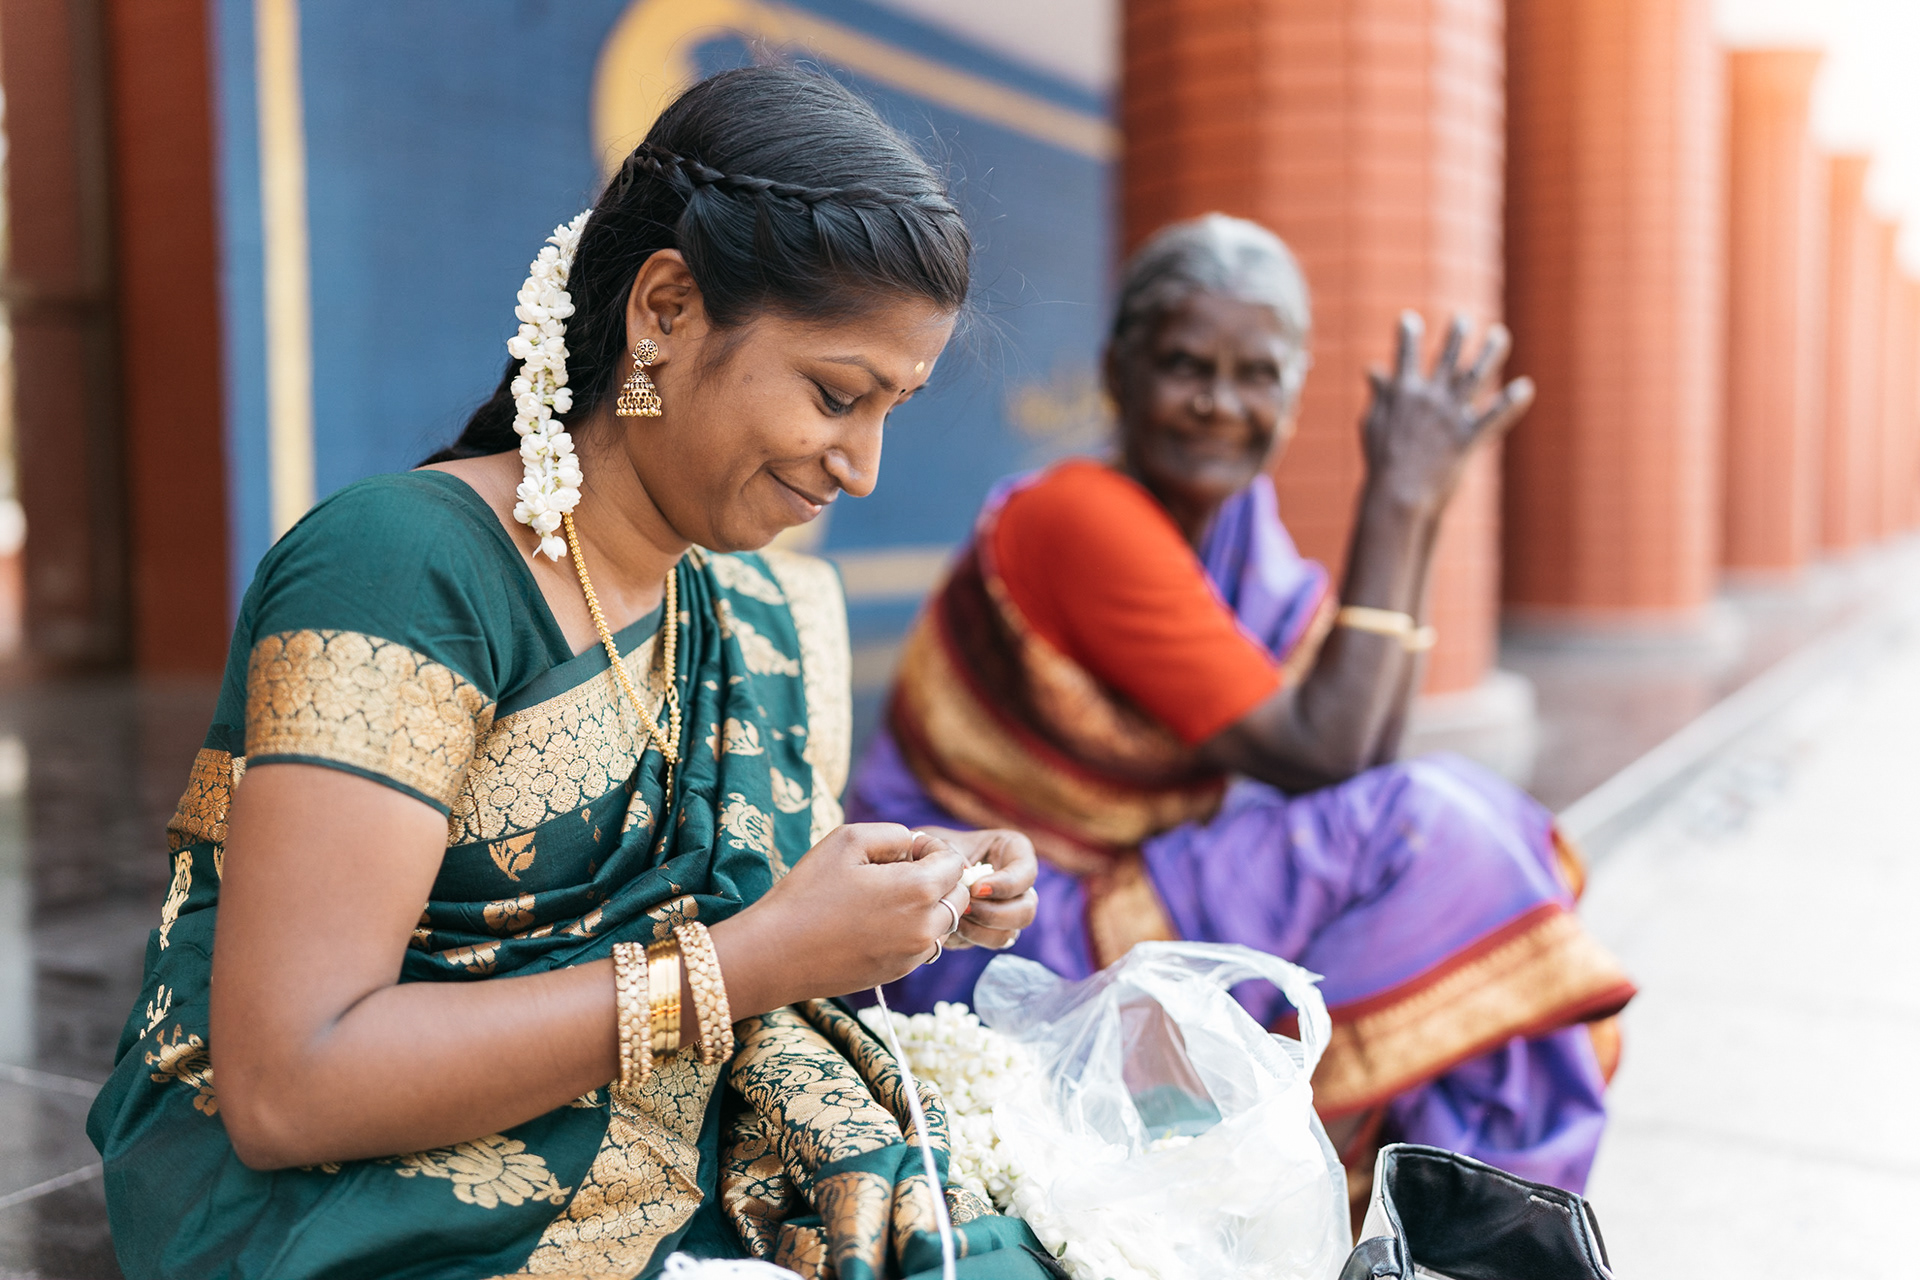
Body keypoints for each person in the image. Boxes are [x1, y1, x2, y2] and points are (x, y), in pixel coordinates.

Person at [86, 67, 1048, 1280]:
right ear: (665, 308)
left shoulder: (758, 604)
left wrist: (907, 890)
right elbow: (291, 1084)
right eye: (835, 395)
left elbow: (732, 892)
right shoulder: (406, 570)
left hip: (665, 1142)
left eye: (892, 408)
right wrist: (759, 960)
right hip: (356, 1209)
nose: (859, 465)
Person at [848, 214, 1637, 1196]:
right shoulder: (1080, 517)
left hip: (1120, 894)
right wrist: (1396, 498)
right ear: (1118, 371)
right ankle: (1426, 1191)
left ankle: (1423, 1194)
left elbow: (1364, 747)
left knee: (1452, 873)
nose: (1221, 404)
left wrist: (1424, 509)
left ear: (1298, 391)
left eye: (1257, 374)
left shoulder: (1239, 531)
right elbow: (1328, 753)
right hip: (987, 935)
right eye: (1188, 366)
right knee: (1445, 829)